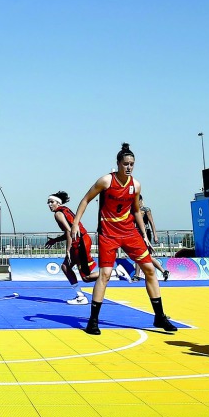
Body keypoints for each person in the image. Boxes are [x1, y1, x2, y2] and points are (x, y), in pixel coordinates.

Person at [70, 143, 177, 334]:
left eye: (132, 164)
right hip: (108, 233)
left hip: (129, 232)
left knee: (150, 270)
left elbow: (136, 210)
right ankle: (92, 322)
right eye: (126, 163)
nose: (129, 167)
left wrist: (144, 235)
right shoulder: (105, 181)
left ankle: (159, 317)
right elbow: (86, 199)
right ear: (118, 163)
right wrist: (76, 223)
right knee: (105, 275)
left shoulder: (135, 185)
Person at [44, 192, 96, 305]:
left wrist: (68, 249)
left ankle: (114, 272)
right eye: (48, 202)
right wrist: (55, 240)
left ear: (58, 203)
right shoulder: (65, 210)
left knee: (86, 277)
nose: (49, 204)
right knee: (65, 267)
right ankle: (80, 296)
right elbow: (70, 231)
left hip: (80, 242)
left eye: (51, 202)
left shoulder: (58, 213)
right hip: (80, 240)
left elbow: (69, 231)